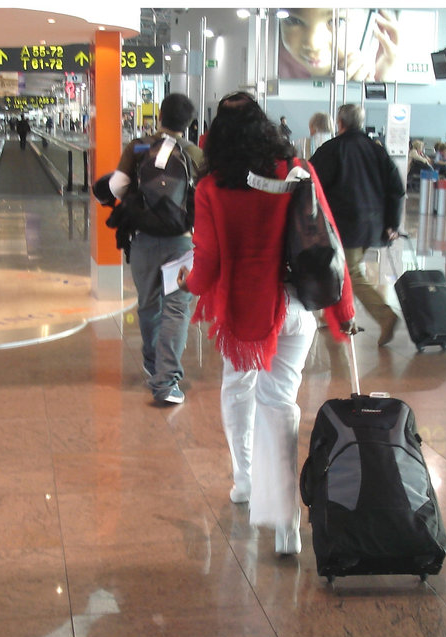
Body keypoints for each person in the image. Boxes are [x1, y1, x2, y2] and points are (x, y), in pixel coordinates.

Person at [176, 91, 355, 555]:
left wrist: (187, 280)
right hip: (296, 311)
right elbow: (328, 242)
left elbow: (208, 264)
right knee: (279, 403)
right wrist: (344, 311)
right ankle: (285, 524)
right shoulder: (296, 170)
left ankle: (245, 483)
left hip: (246, 316)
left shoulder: (212, 188)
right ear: (265, 128)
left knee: (238, 390)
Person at [106, 93, 203, 405]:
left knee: (149, 305)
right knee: (176, 307)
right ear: (188, 123)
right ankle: (167, 381)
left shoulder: (138, 146)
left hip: (143, 238)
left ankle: (152, 364)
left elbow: (117, 187)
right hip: (181, 241)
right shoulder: (195, 153)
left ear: (160, 115)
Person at [311, 104, 403, 346]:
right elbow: (396, 188)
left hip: (345, 226)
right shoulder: (376, 150)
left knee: (348, 273)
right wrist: (392, 223)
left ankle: (382, 316)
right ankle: (333, 317)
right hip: (372, 225)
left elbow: (311, 180)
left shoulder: (332, 149)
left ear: (340, 123)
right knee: (341, 271)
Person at [277, 8, 401, 81]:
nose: (313, 44)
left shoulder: (385, 66)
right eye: (293, 20)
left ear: (376, 21)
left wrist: (381, 85)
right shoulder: (270, 64)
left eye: (337, 21)